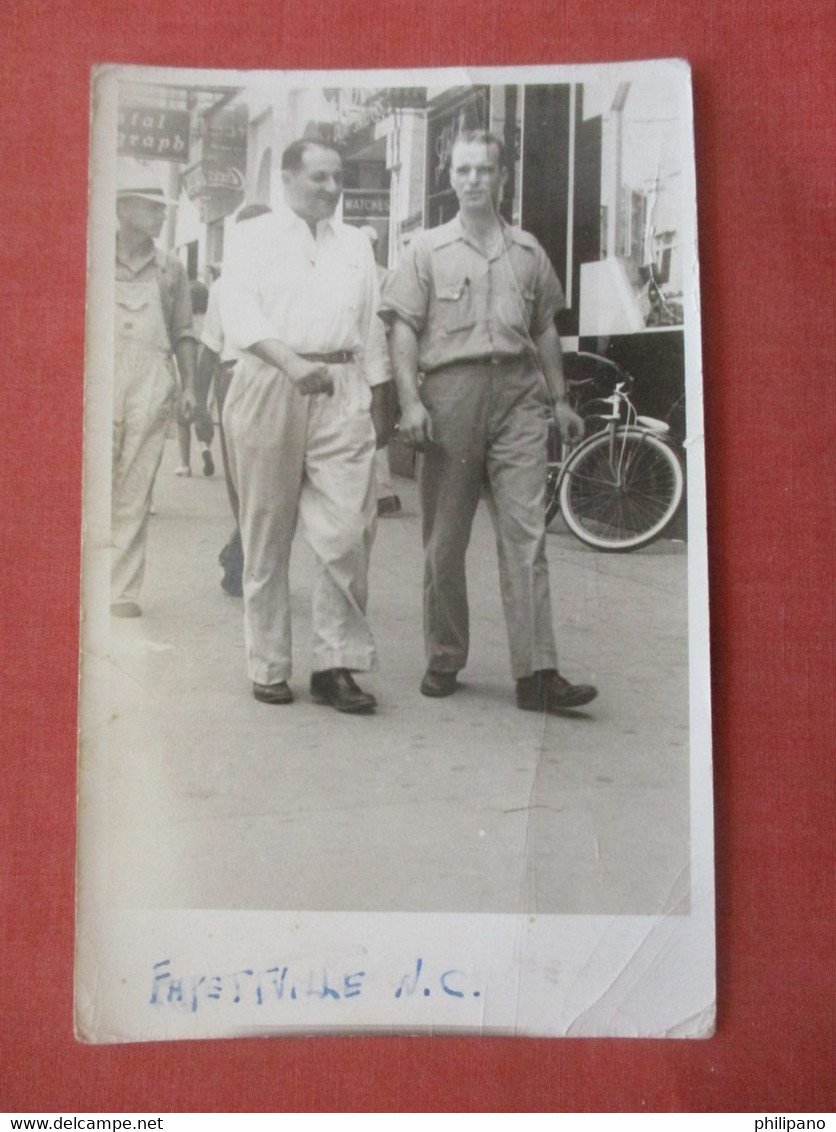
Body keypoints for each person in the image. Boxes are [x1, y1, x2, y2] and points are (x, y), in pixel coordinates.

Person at [380, 130, 598, 713]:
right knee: (445, 541)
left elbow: (546, 327)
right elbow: (402, 328)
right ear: (450, 177)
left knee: (526, 535)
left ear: (504, 178)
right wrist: (411, 402)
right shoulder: (425, 250)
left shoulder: (528, 251)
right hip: (451, 395)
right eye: (464, 170)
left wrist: (559, 399)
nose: (474, 179)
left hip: (519, 401)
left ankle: (537, 672)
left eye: (486, 170)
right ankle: (445, 655)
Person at [218, 138, 391, 711]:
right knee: (266, 532)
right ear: (287, 178)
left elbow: (369, 326)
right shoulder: (252, 237)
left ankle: (334, 664)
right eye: (318, 177)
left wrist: (378, 394)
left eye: (337, 177)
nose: (331, 188)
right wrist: (290, 363)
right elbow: (238, 311)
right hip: (270, 381)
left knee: (347, 531)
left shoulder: (356, 246)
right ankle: (267, 664)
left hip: (342, 389)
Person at [112, 159, 197, 618]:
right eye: (152, 206)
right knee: (94, 478)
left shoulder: (171, 269)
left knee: (136, 483)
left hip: (151, 377)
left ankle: (121, 591)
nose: (162, 215)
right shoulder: (92, 254)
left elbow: (184, 330)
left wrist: (188, 388)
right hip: (101, 372)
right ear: (124, 209)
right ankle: (81, 578)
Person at [359, 225, 402, 518]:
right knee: (376, 417)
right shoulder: (383, 276)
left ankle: (381, 489)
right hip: (370, 353)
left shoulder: (385, 276)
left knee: (376, 418)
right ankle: (380, 490)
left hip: (375, 351)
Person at [174, 280, 215, 478]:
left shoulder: (185, 321)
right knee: (201, 410)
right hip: (205, 367)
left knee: (182, 417)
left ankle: (184, 464)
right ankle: (204, 445)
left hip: (185, 369)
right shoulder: (208, 320)